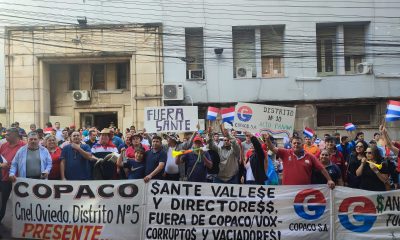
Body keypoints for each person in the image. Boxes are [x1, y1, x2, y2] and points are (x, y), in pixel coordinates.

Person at [264, 134, 335, 189]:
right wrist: (267, 139)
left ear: (302, 145)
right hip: (287, 190)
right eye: (294, 143)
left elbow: (321, 168)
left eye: (298, 143)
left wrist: (329, 180)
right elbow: (272, 148)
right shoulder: (285, 152)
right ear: (291, 144)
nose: (296, 145)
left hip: (304, 191)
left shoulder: (310, 156)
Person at [0, 128, 25, 223]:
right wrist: (1, 165)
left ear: (15, 135)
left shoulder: (24, 145)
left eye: (7, 134)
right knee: (2, 202)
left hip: (20, 179)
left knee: (22, 202)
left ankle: (22, 223)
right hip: (5, 178)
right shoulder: (3, 145)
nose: (5, 136)